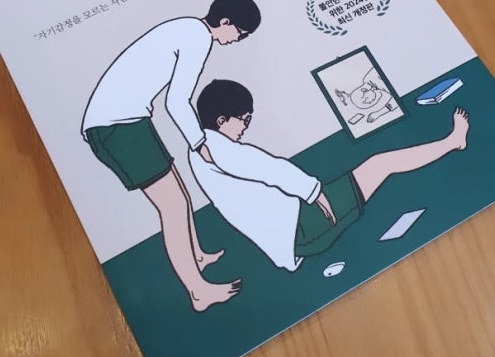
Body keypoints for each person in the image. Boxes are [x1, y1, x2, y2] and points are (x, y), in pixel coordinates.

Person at [81, 0, 261, 311]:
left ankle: (197, 257)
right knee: (173, 207)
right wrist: (199, 143)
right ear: (225, 22)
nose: (238, 40)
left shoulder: (188, 28)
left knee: (181, 196)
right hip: (117, 127)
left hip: (127, 120)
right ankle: (198, 291)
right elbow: (176, 101)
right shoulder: (197, 38)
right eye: (240, 33)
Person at [189, 79, 470, 271]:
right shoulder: (218, 148)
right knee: (380, 164)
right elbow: (270, 168)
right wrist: (315, 194)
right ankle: (453, 141)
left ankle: (451, 142)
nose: (246, 127)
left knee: (378, 166)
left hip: (291, 235)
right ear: (222, 120)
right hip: (303, 226)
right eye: (244, 120)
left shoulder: (197, 151)